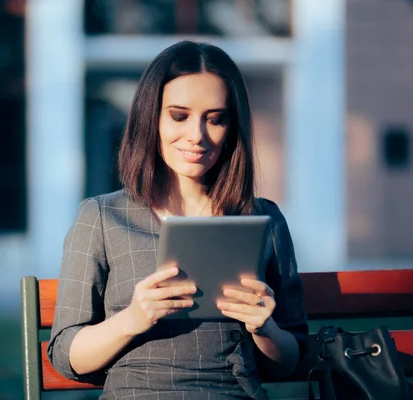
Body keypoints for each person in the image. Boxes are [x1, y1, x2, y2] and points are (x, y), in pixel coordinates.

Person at [47, 40, 308, 400]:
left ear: (233, 127)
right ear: (150, 117)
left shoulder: (262, 218)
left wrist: (265, 328)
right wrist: (133, 318)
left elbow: (292, 359)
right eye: (179, 116)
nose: (197, 136)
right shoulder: (103, 217)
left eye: (215, 119)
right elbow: (65, 355)